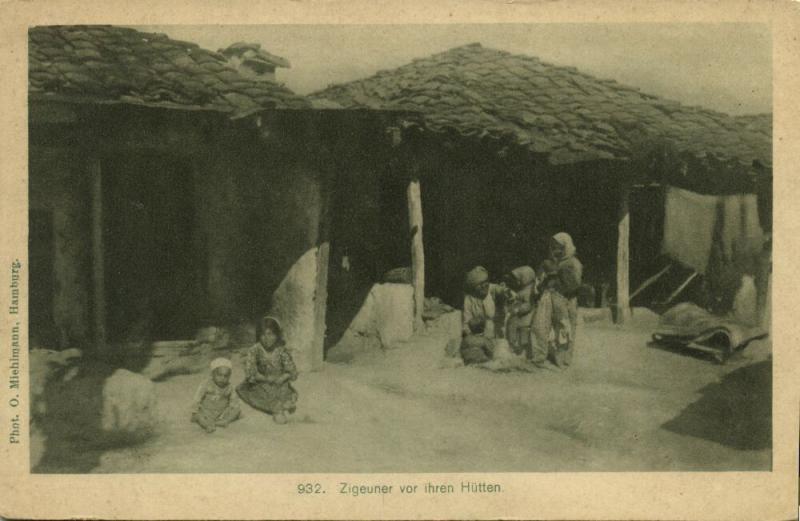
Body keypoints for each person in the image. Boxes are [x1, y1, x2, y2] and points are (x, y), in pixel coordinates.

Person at [532, 233, 583, 368]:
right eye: (553, 247)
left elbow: (574, 285)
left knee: (564, 329)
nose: (555, 250)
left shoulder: (573, 263)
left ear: (566, 247)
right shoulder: (549, 263)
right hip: (549, 297)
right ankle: (539, 357)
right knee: (540, 326)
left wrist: (556, 276)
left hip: (566, 300)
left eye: (559, 247)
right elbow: (539, 281)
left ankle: (563, 360)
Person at [236, 316, 298, 425]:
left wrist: (282, 378)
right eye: (263, 334)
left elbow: (291, 370)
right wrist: (266, 378)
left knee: (283, 390)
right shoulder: (254, 350)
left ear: (277, 335)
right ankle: (278, 410)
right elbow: (251, 372)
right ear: (258, 336)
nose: (266, 338)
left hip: (279, 381)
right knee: (264, 393)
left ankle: (286, 403)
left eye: (271, 334)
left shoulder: (281, 350)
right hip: (261, 381)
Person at [191, 358, 241, 433]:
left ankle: (223, 421)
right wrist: (195, 410)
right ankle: (207, 425)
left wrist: (231, 411)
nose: (222, 378)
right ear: (212, 374)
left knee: (237, 411)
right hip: (206, 412)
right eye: (219, 375)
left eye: (226, 376)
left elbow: (234, 402)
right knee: (198, 415)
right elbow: (197, 399)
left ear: (229, 376)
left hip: (221, 413)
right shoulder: (206, 384)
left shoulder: (230, 387)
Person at [462, 266, 512, 340]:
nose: (484, 286)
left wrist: (505, 292)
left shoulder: (493, 289)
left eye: (486, 282)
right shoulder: (469, 299)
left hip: (500, 332)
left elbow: (503, 292)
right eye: (480, 284)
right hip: (481, 336)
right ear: (473, 287)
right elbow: (466, 322)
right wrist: (472, 337)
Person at [504, 266, 537, 358]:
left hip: (526, 316)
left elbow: (528, 305)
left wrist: (518, 309)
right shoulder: (523, 288)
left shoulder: (530, 290)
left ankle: (523, 350)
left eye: (519, 279)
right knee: (512, 327)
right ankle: (513, 346)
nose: (517, 282)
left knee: (524, 331)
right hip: (518, 316)